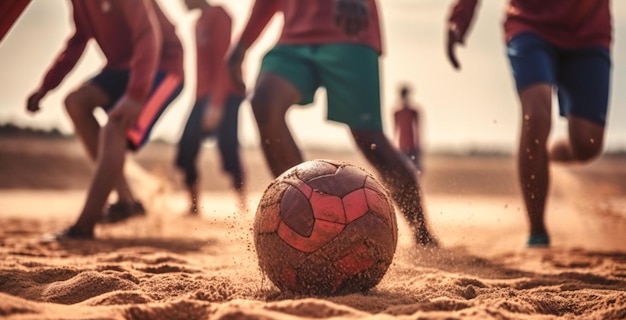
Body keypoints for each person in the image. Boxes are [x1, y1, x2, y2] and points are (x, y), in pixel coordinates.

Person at [227, 0, 437, 246]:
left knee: (370, 138)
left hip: (349, 27)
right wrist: (241, 44)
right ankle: (309, 216)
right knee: (263, 102)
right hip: (294, 36)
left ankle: (423, 233)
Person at [446, 0, 612, 247]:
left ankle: (544, 156)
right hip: (529, 25)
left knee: (587, 145)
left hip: (589, 32)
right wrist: (460, 17)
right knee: (535, 117)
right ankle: (537, 232)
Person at [26, 0, 184, 240]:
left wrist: (134, 95)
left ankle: (83, 227)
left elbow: (147, 35)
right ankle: (126, 202)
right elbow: (79, 39)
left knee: (114, 128)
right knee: (75, 102)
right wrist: (46, 86)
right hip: (120, 68)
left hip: (162, 64)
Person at [175, 0, 246, 215]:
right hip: (203, 95)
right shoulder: (197, 23)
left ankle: (243, 205)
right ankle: (194, 205)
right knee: (186, 148)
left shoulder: (219, 15)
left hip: (226, 94)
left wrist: (216, 104)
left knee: (228, 148)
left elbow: (224, 61)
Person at [393, 84, 423, 172]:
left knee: (415, 171)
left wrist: (419, 147)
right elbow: (395, 131)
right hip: (402, 147)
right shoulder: (397, 113)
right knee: (403, 172)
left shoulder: (414, 112)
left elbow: (418, 130)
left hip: (413, 147)